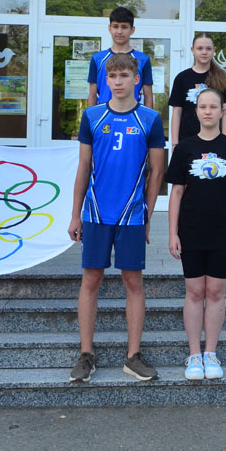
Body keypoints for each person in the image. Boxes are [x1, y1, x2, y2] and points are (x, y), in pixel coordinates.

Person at [67, 53, 165, 383]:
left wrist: (147, 215)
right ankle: (86, 354)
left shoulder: (150, 119)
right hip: (96, 213)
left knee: (133, 282)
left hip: (131, 215)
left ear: (136, 79)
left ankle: (133, 356)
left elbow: (156, 172)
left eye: (124, 75)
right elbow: (83, 167)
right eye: (112, 76)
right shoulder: (92, 116)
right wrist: (75, 214)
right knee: (90, 280)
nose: (118, 81)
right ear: (105, 81)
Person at [166, 88, 226, 380]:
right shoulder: (184, 149)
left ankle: (210, 353)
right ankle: (194, 354)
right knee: (194, 292)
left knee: (215, 292)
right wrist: (172, 233)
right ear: (196, 111)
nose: (208, 111)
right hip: (190, 230)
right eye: (203, 106)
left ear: (222, 111)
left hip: (224, 230)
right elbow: (176, 193)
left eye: (213, 106)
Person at [170, 32, 226, 146]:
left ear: (214, 50)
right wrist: (175, 143)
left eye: (208, 49)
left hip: (215, 140)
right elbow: (177, 112)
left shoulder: (222, 78)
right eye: (200, 48)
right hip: (187, 139)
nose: (204, 52)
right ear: (192, 50)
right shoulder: (182, 78)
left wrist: (225, 141)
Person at [86, 6, 154, 108]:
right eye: (115, 26)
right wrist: (91, 117)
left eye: (124, 27)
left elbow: (148, 95)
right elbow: (92, 94)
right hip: (104, 114)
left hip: (132, 114)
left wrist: (148, 118)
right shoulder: (97, 59)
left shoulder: (143, 60)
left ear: (132, 30)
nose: (119, 31)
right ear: (109, 28)